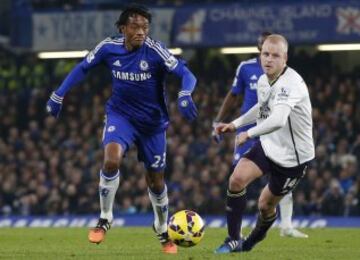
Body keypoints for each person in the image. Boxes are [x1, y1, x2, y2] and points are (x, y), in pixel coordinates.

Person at [46, 5, 198, 254]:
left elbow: (186, 73)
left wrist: (184, 93)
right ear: (122, 29)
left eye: (145, 27)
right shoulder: (108, 47)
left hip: (153, 124)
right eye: (135, 27)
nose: (141, 32)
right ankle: (105, 217)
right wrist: (58, 94)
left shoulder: (155, 50)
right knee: (111, 161)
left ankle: (161, 228)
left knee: (156, 182)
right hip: (121, 116)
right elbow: (82, 67)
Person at [213, 34, 314, 254]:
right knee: (237, 179)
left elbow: (277, 120)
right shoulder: (263, 80)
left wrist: (248, 133)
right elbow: (262, 108)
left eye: (275, 55)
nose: (268, 59)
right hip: (269, 146)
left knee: (265, 205)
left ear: (285, 58)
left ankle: (249, 244)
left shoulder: (291, 84)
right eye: (265, 54)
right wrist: (234, 124)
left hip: (292, 158)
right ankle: (232, 239)